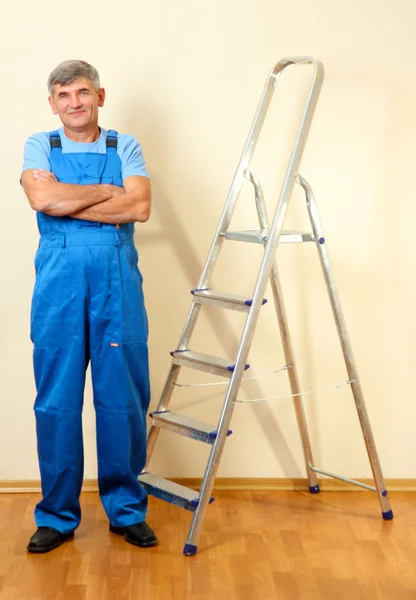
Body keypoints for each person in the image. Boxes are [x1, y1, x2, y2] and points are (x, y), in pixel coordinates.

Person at [21, 60, 157, 553]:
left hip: (116, 284)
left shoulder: (127, 146)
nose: (74, 102)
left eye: (82, 92)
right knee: (56, 400)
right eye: (63, 95)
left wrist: (67, 197)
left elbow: (138, 207)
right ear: (53, 103)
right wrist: (105, 192)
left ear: (100, 96)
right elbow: (42, 200)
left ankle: (126, 509)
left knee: (121, 399)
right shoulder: (39, 145)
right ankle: (57, 516)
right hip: (58, 285)